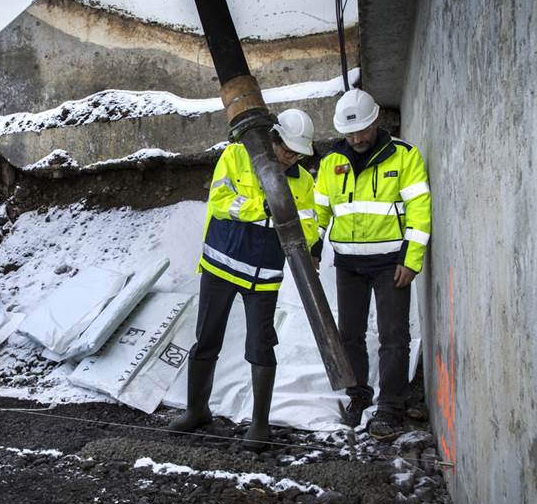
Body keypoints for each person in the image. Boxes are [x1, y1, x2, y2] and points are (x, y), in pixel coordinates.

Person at [169, 109, 321, 451]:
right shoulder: (237, 155)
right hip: (221, 267)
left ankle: (260, 427)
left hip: (263, 277)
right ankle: (196, 411)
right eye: (287, 151)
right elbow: (221, 201)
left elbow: (309, 227)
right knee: (207, 339)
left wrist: (304, 235)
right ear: (274, 139)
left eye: (298, 154)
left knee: (261, 347)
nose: (291, 158)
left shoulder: (303, 181)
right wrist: (265, 206)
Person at [313, 89, 431, 440]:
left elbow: (420, 211)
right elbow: (320, 211)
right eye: (350, 134)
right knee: (349, 335)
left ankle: (391, 408)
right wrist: (313, 247)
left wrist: (411, 259)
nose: (357, 138)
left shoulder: (404, 157)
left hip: (390, 263)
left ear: (376, 121)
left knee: (394, 337)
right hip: (348, 264)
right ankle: (359, 396)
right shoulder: (333, 162)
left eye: (362, 130)